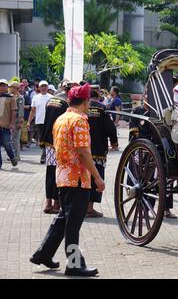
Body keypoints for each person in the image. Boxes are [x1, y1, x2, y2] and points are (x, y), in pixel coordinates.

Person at [30, 83, 105, 277]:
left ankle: (43, 254)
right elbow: (83, 152)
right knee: (72, 224)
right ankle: (74, 264)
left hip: (63, 177)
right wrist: (97, 177)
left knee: (64, 219)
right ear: (86, 101)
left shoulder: (62, 119)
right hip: (77, 179)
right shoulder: (79, 120)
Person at [40, 83, 74, 214]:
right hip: (60, 141)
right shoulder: (67, 103)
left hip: (48, 139)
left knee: (50, 170)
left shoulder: (51, 99)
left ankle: (48, 201)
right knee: (59, 171)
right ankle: (56, 203)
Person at [87, 86, 118, 218]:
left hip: (83, 148)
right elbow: (110, 128)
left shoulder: (82, 108)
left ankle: (81, 207)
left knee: (84, 177)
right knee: (96, 176)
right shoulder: (102, 108)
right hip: (98, 149)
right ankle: (89, 208)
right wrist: (114, 142)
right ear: (99, 97)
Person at [28, 80, 53, 164]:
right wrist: (29, 121)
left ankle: (44, 156)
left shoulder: (51, 97)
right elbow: (33, 110)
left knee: (47, 139)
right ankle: (44, 154)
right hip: (39, 121)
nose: (43, 88)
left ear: (47, 87)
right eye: (42, 86)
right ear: (39, 87)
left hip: (49, 121)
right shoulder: (35, 97)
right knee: (41, 140)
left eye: (45, 86)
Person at [0, 79, 18, 169]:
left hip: (6, 125)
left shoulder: (11, 98)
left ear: (7, 87)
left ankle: (12, 157)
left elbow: (14, 112)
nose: (2, 88)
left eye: (4, 86)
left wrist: (12, 123)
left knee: (7, 143)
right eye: (0, 86)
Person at [8, 82, 24, 161]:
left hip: (17, 120)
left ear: (15, 88)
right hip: (11, 119)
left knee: (15, 139)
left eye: (11, 87)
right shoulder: (11, 97)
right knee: (11, 139)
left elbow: (21, 110)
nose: (10, 89)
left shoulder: (20, 98)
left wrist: (20, 122)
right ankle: (13, 155)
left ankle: (16, 156)